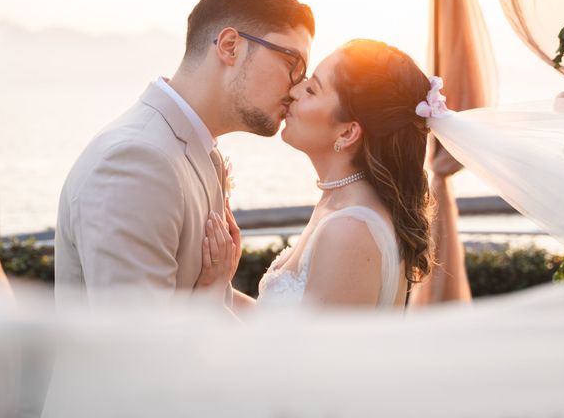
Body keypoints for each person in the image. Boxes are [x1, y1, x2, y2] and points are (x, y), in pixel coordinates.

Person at [54, 0, 314, 305]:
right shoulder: (134, 161)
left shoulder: (195, 152)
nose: (295, 89)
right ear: (230, 46)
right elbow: (138, 346)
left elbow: (205, 299)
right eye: (293, 65)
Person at [201, 39, 472, 308]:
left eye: (312, 90)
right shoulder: (340, 203)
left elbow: (305, 353)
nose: (294, 91)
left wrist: (211, 297)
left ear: (347, 132)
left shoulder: (350, 230)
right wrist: (220, 285)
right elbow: (277, 328)